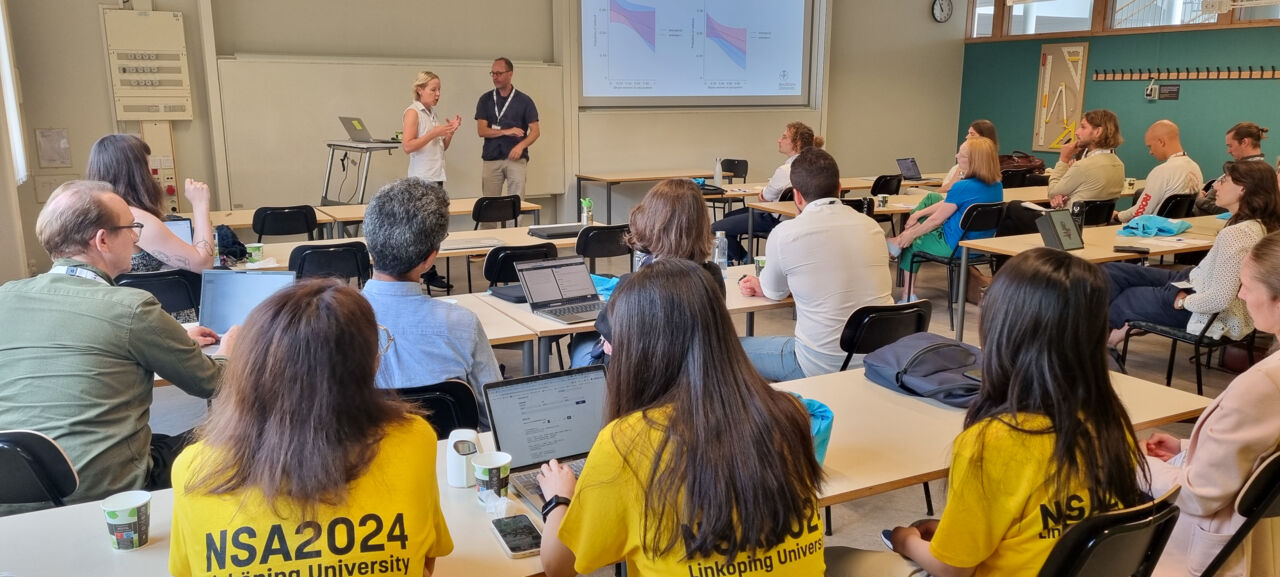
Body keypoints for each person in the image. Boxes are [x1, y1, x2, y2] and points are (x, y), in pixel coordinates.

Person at [826, 248, 1149, 577]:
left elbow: (952, 570)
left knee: (834, 559)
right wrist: (956, 531)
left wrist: (907, 541)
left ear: (1001, 331)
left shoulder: (995, 442)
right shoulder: (1109, 422)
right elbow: (1040, 526)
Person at [537, 259, 825, 577]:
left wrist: (558, 498)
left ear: (644, 350)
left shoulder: (628, 441)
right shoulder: (789, 413)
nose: (604, 347)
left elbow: (558, 566)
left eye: (611, 340)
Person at [169, 279, 453, 577]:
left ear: (248, 368)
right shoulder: (415, 439)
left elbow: (187, 571)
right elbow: (424, 564)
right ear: (370, 365)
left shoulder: (193, 471)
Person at [0, 181, 228, 516]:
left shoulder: (6, 296)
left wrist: (174, 340)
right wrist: (236, 348)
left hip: (14, 490)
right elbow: (212, 382)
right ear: (102, 240)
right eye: (131, 228)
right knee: (235, 442)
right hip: (108, 489)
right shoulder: (130, 308)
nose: (137, 238)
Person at [1142, 230, 1280, 577]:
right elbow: (1256, 454)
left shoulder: (1264, 384)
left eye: (1247, 285)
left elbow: (1200, 495)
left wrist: (1132, 463)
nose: (1240, 294)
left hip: (1208, 553)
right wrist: (1189, 448)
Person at [737, 147, 894, 380]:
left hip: (818, 363)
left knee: (725, 347)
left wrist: (761, 285)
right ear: (839, 189)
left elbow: (775, 292)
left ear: (797, 196)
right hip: (879, 359)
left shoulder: (785, 233)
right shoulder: (872, 227)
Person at [361, 177, 502, 415]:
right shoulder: (463, 324)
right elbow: (497, 414)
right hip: (446, 450)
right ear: (429, 259)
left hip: (362, 452)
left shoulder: (324, 322)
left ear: (369, 243)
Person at [1104, 160, 1280, 347]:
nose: (1215, 185)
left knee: (1126, 298)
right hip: (1193, 280)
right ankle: (1106, 340)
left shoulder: (1238, 234)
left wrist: (1183, 302)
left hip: (1204, 310)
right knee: (1114, 272)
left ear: (1243, 189)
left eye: (1224, 181)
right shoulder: (1261, 225)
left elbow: (1220, 298)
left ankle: (1101, 348)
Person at [568, 178, 722, 367]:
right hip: (688, 374)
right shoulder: (712, 277)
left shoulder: (636, 282)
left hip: (633, 378)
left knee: (581, 340)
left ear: (648, 221)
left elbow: (607, 332)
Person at [888, 136, 1003, 302]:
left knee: (912, 242)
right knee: (933, 198)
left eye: (961, 155)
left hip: (954, 247)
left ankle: (908, 295)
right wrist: (917, 215)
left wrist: (910, 234)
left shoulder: (962, 186)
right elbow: (946, 204)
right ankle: (899, 241)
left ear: (973, 160)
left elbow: (935, 221)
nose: (956, 156)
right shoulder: (997, 185)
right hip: (980, 246)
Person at [86, 134, 216, 274]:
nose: (151, 173)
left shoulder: (94, 213)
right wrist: (200, 204)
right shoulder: (135, 219)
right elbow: (203, 264)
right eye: (148, 165)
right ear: (137, 173)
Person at [998, 109, 1125, 236]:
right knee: (1011, 225)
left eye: (1083, 127)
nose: (1077, 132)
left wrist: (1063, 159)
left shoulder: (1084, 165)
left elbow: (1052, 193)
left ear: (1098, 131)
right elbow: (1086, 191)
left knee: (1014, 207)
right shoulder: (1119, 164)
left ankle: (996, 253)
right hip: (1096, 228)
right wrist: (1065, 196)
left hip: (1067, 229)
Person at [711, 121, 824, 263]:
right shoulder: (814, 166)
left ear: (798, 143)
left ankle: (746, 260)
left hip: (772, 219)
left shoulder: (786, 170)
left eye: (784, 137)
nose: (779, 140)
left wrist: (764, 194)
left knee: (715, 228)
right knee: (729, 216)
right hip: (794, 217)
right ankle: (728, 261)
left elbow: (764, 197)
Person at [403, 71, 462, 291]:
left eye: (439, 90)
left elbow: (440, 147)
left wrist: (449, 134)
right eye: (433, 89)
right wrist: (434, 132)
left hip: (436, 177)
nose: (437, 94)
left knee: (435, 229)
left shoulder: (432, 113)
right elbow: (408, 145)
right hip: (421, 180)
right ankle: (424, 273)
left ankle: (429, 271)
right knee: (423, 229)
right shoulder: (413, 112)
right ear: (420, 90)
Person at [476, 57, 539, 203]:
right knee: (489, 205)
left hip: (516, 159)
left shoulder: (524, 101)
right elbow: (482, 131)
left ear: (510, 74)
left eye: (499, 73)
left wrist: (521, 146)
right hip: (491, 158)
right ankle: (489, 227)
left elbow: (535, 131)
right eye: (493, 73)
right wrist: (506, 131)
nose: (495, 77)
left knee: (516, 203)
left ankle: (516, 227)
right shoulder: (485, 99)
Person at [1115, 120, 1204, 223]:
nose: (1150, 152)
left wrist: (1118, 216)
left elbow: (1140, 212)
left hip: (1155, 230)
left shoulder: (1162, 171)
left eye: (1150, 146)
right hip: (1179, 227)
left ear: (1161, 141)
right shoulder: (1195, 167)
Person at [1196, 122, 1269, 216]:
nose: (1228, 151)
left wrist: (1198, 200)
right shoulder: (1254, 170)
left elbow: (1231, 209)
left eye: (1230, 146)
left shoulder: (1248, 173)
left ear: (1244, 142)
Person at [937, 119, 998, 195]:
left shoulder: (964, 167)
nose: (967, 137)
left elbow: (952, 186)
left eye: (972, 134)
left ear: (984, 139)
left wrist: (933, 194)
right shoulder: (993, 166)